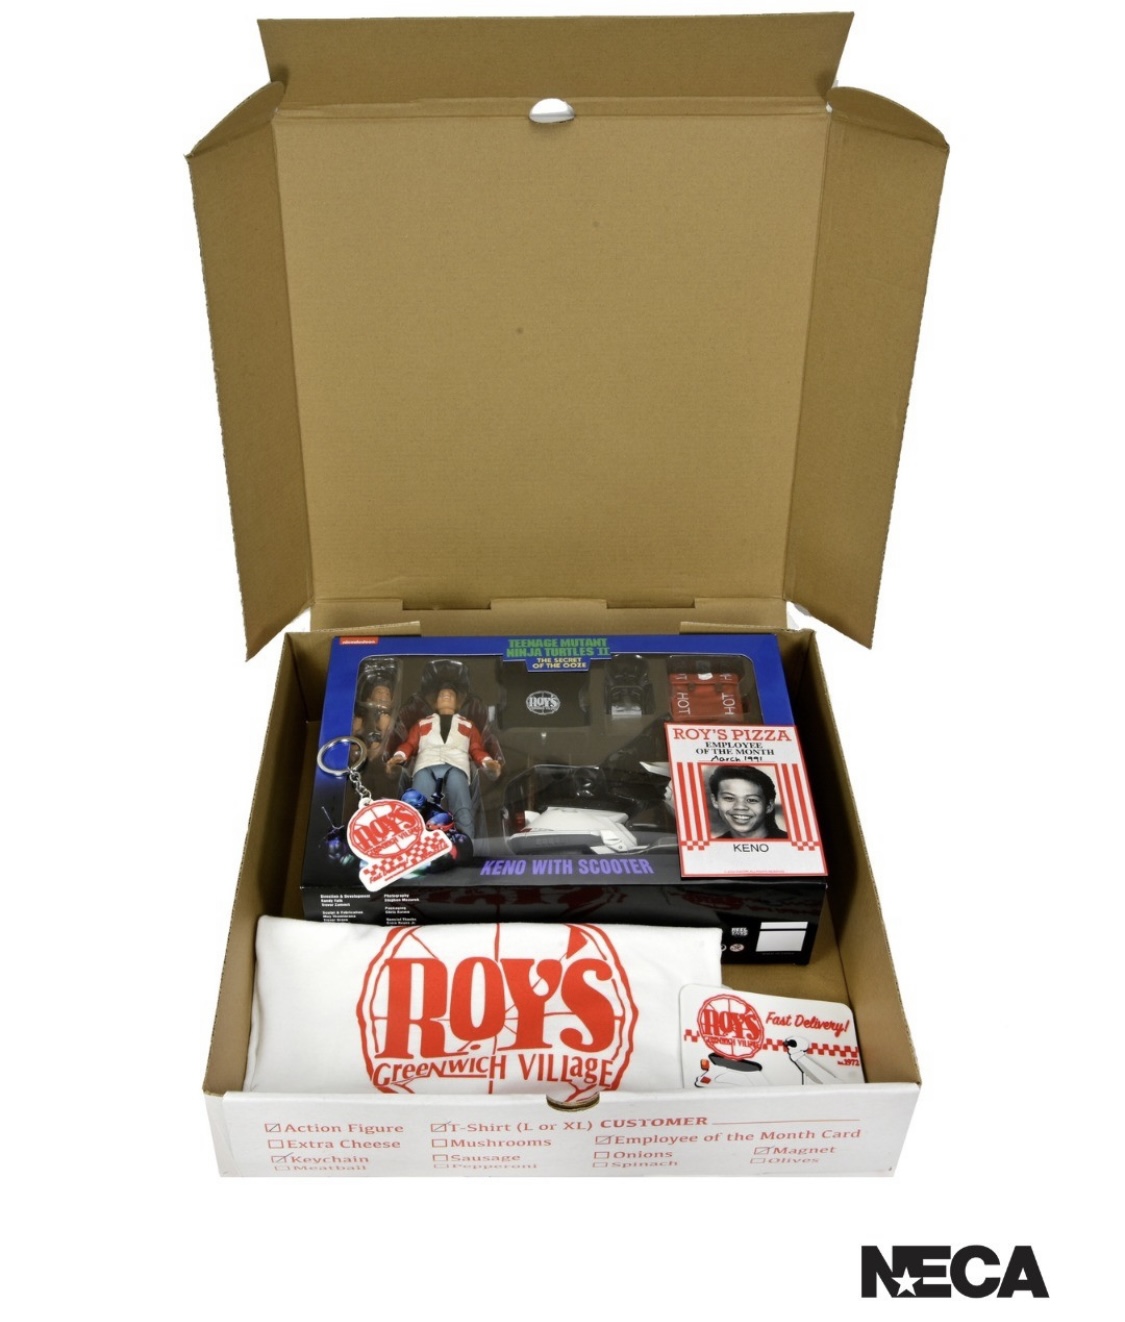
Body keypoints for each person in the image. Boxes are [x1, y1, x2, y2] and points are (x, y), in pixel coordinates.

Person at [386, 685, 501, 838]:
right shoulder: (422, 724)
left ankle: (466, 840)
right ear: (435, 703)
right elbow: (409, 744)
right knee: (416, 805)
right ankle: (415, 840)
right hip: (426, 765)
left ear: (457, 704)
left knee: (462, 805)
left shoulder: (468, 725)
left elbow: (476, 749)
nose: (446, 696)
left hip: (456, 766)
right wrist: (399, 756)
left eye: (451, 695)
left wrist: (488, 762)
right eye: (442, 695)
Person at [708, 765, 786, 840]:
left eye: (751, 800)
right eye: (729, 798)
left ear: (769, 806)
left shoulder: (787, 841)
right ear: (715, 801)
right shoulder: (713, 846)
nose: (740, 807)